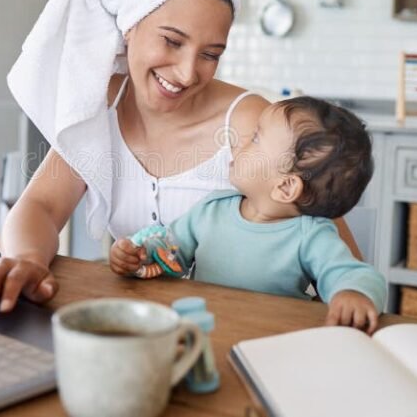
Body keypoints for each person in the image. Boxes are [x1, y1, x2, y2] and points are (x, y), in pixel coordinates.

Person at [0, 0, 362, 315]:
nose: (187, 72)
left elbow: (337, 248)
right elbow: (42, 207)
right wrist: (27, 260)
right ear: (130, 24)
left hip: (244, 329)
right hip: (139, 323)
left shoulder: (252, 124)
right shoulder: (100, 106)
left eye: (211, 54)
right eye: (172, 41)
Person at [109, 97, 386, 333]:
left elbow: (354, 274)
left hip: (270, 340)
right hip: (203, 331)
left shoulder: (310, 233)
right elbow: (170, 251)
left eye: (256, 138)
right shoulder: (212, 210)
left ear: (285, 186)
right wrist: (140, 255)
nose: (241, 141)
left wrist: (354, 293)